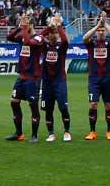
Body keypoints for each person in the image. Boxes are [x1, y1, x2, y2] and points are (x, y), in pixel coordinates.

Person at [6, 14, 44, 142]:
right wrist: (19, 27)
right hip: (21, 77)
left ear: (31, 25)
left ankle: (34, 135)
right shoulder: (23, 35)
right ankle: (19, 133)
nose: (23, 28)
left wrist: (24, 28)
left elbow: (28, 42)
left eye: (26, 25)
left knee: (33, 105)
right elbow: (9, 37)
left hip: (32, 78)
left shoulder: (39, 38)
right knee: (14, 102)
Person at [82, 15, 110, 140]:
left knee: (108, 105)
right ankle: (92, 131)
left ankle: (109, 131)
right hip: (94, 78)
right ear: (96, 32)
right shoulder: (92, 44)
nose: (101, 32)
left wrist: (105, 24)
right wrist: (98, 25)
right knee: (93, 104)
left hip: (108, 78)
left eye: (103, 31)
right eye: (99, 31)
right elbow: (85, 37)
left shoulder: (109, 43)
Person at [39, 17, 71, 142]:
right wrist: (49, 27)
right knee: (48, 109)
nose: (53, 35)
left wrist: (58, 26)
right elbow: (39, 36)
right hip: (47, 82)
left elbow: (65, 40)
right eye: (51, 33)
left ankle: (67, 132)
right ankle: (51, 133)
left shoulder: (61, 47)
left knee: (63, 107)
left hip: (59, 81)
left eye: (55, 33)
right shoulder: (44, 46)